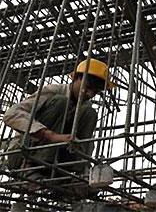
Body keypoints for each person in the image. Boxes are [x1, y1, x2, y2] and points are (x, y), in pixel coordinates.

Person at [3, 58, 114, 192]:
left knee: (89, 112)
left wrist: (86, 170)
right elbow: (11, 114)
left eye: (95, 92)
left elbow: (86, 144)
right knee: (62, 102)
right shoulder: (54, 91)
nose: (90, 94)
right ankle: (29, 170)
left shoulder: (85, 106)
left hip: (56, 164)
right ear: (75, 78)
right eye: (87, 88)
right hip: (22, 157)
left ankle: (73, 174)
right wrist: (50, 135)